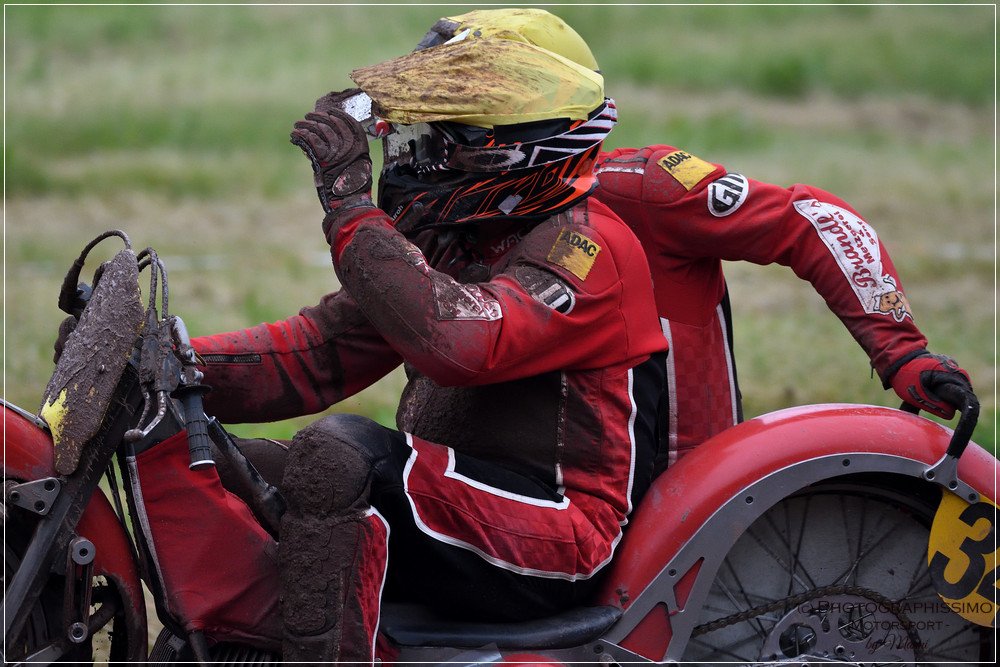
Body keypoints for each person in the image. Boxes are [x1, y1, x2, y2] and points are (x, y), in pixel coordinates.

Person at [191, 27, 667, 663]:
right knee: (214, 462)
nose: (416, 157)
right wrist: (177, 367)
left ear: (505, 154)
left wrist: (350, 206)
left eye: (441, 140)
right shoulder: (464, 234)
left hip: (565, 538)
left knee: (337, 454)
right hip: (468, 507)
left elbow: (456, 343)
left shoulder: (586, 250)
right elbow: (321, 354)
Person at [412, 9, 976, 468]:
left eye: (445, 136)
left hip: (674, 503)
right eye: (423, 133)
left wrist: (903, 351)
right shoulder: (436, 223)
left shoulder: (644, 190)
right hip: (503, 494)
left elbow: (811, 220)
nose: (422, 157)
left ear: (510, 136)